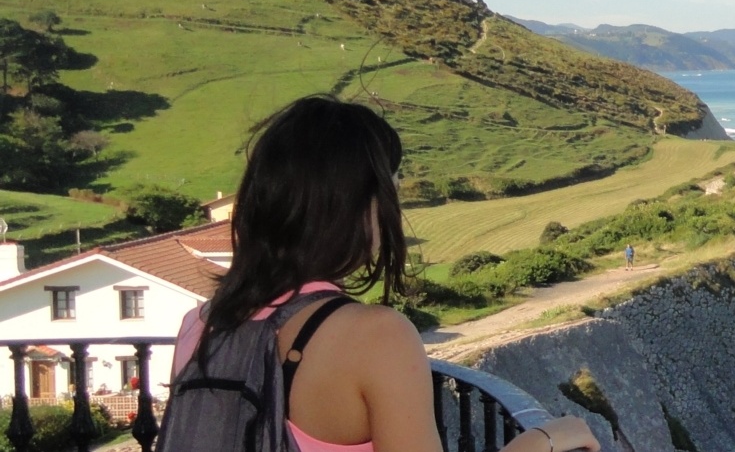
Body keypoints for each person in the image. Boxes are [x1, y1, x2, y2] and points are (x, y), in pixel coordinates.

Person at [169, 96, 600, 452]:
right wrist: (544, 438)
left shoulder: (201, 325)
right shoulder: (376, 336)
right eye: (392, 190)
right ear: (361, 205)